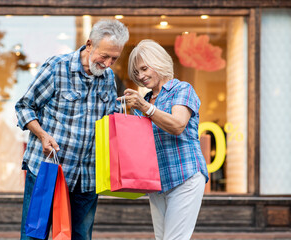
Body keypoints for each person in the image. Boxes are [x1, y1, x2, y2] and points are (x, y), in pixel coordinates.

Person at [15, 19, 129, 240]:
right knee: (34, 236)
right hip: (48, 171)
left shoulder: (108, 79)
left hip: (86, 176)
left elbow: (110, 122)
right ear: (89, 44)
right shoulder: (57, 68)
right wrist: (42, 134)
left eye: (114, 58)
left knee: (81, 236)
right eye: (104, 56)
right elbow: (24, 106)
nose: (107, 63)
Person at [120, 39, 209, 240]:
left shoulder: (182, 90)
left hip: (185, 175)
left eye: (144, 69)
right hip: (157, 182)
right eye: (136, 73)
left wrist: (146, 108)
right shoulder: (143, 101)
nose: (141, 76)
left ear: (158, 61)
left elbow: (178, 125)